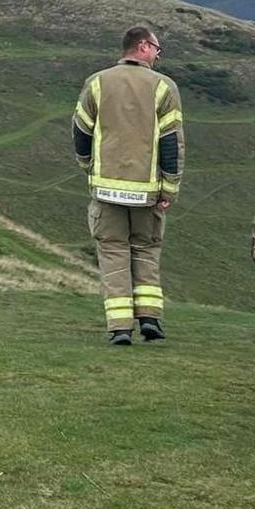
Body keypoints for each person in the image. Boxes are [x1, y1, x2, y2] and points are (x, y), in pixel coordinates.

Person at [73, 25, 184, 345]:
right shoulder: (164, 87)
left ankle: (120, 327)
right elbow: (171, 142)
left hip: (106, 189)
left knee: (113, 253)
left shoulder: (96, 82)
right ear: (144, 47)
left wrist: (87, 166)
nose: (159, 56)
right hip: (148, 190)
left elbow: (80, 131)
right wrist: (170, 187)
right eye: (158, 50)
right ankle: (150, 319)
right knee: (147, 250)